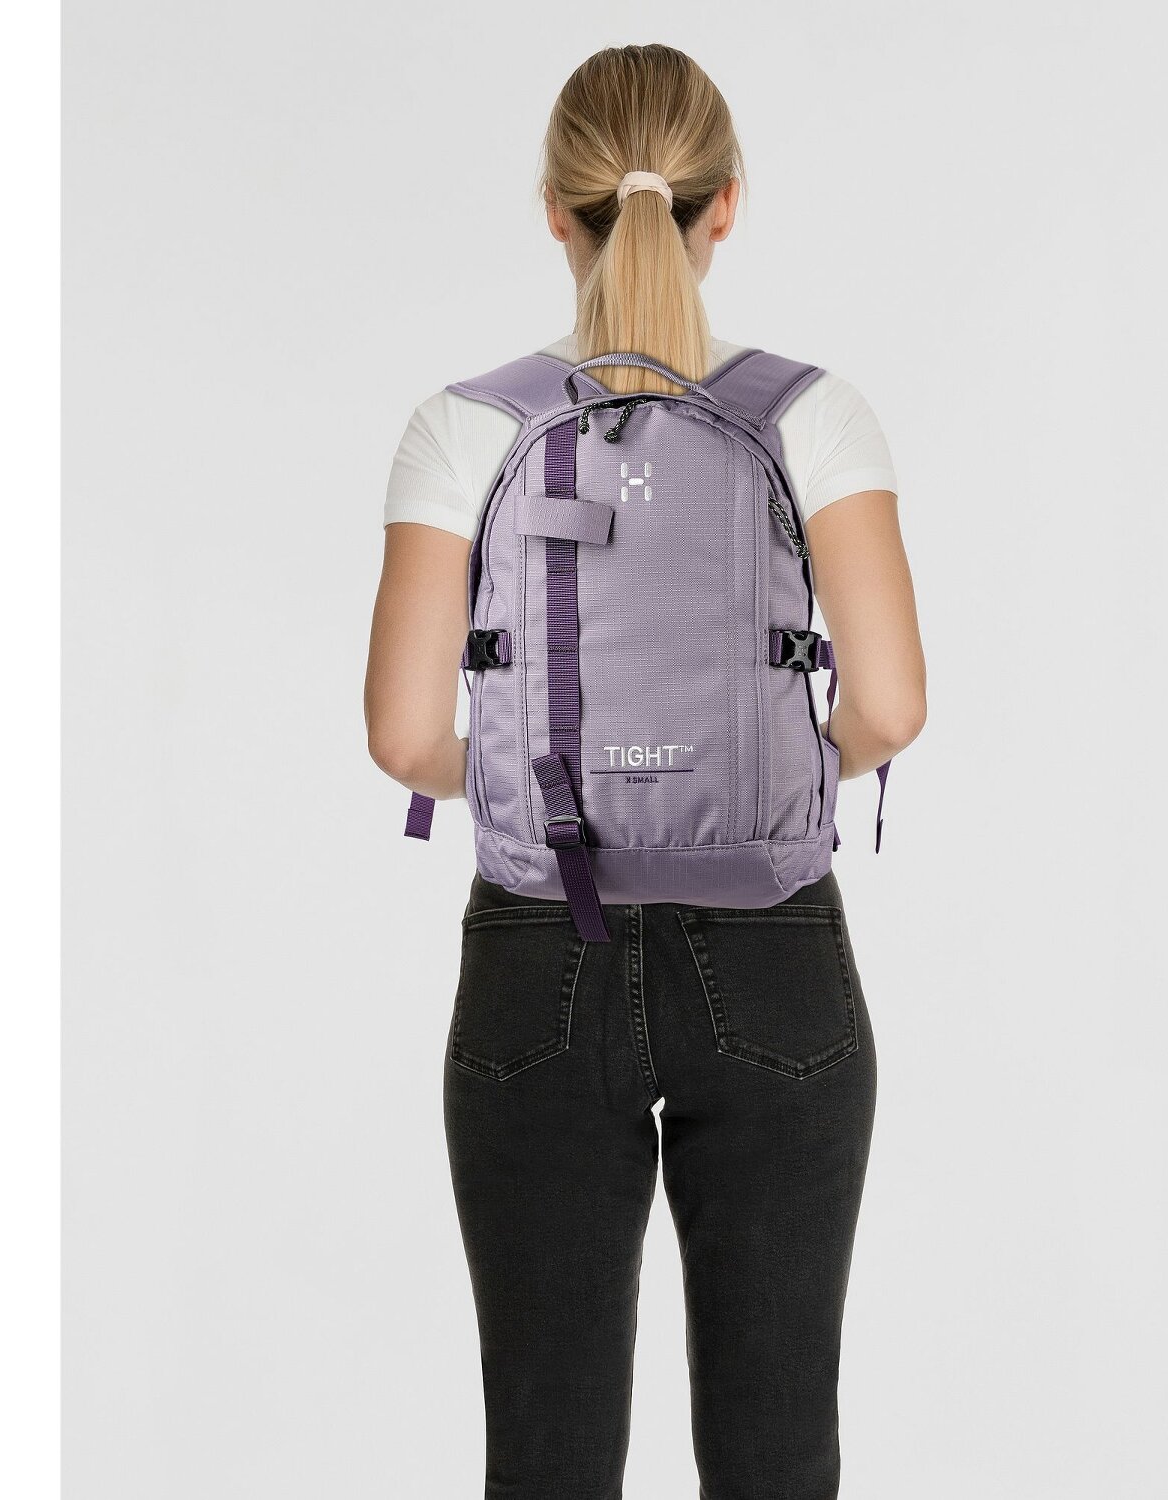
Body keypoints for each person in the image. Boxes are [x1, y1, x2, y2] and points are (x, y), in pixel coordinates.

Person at [365, 43, 926, 1500]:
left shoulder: (464, 427)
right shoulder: (815, 414)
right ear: (725, 203)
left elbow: (404, 738)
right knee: (778, 1451)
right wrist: (776, 781)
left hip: (538, 943)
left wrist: (534, 783)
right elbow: (892, 705)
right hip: (776, 947)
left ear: (556, 210)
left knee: (546, 1456)